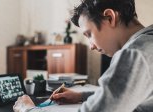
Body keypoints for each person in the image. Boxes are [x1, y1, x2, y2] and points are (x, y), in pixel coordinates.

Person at [13, 0, 153, 112]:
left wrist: (28, 109)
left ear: (110, 17)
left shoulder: (135, 54)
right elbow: (129, 96)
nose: (91, 46)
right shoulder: (148, 44)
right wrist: (81, 96)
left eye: (89, 34)